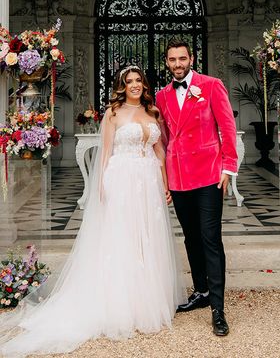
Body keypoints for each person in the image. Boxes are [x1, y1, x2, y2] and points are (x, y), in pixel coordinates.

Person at [0, 66, 186, 357]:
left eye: (138, 81)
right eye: (129, 82)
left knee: (147, 238)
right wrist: (102, 188)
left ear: (144, 84)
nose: (135, 85)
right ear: (121, 86)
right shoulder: (113, 114)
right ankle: (121, 304)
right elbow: (106, 154)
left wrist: (166, 183)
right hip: (122, 179)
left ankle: (147, 300)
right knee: (123, 238)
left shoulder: (154, 113)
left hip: (148, 181)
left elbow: (160, 151)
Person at [156, 40, 238, 337]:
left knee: (210, 238)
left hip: (208, 175)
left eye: (182, 58)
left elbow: (227, 126)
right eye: (172, 59)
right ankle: (201, 291)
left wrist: (228, 166)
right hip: (178, 178)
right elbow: (163, 138)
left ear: (191, 59)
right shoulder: (162, 96)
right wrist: (162, 178)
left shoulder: (211, 86)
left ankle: (218, 309)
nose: (178, 63)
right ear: (167, 62)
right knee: (191, 237)